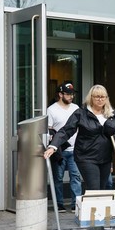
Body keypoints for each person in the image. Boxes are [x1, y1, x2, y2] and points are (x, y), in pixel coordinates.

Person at [44, 84, 115, 191]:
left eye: (103, 97)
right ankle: (92, 207)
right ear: (91, 98)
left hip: (105, 158)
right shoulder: (81, 113)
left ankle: (95, 208)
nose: (100, 99)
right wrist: (53, 146)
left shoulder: (112, 114)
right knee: (94, 188)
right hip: (86, 157)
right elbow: (66, 130)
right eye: (97, 96)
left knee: (103, 188)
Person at [47, 82, 82, 213]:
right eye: (68, 94)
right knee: (58, 178)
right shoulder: (51, 110)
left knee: (76, 177)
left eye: (72, 94)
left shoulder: (76, 108)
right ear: (60, 94)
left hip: (75, 149)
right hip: (59, 151)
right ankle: (59, 204)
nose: (71, 96)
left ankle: (76, 204)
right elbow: (49, 129)